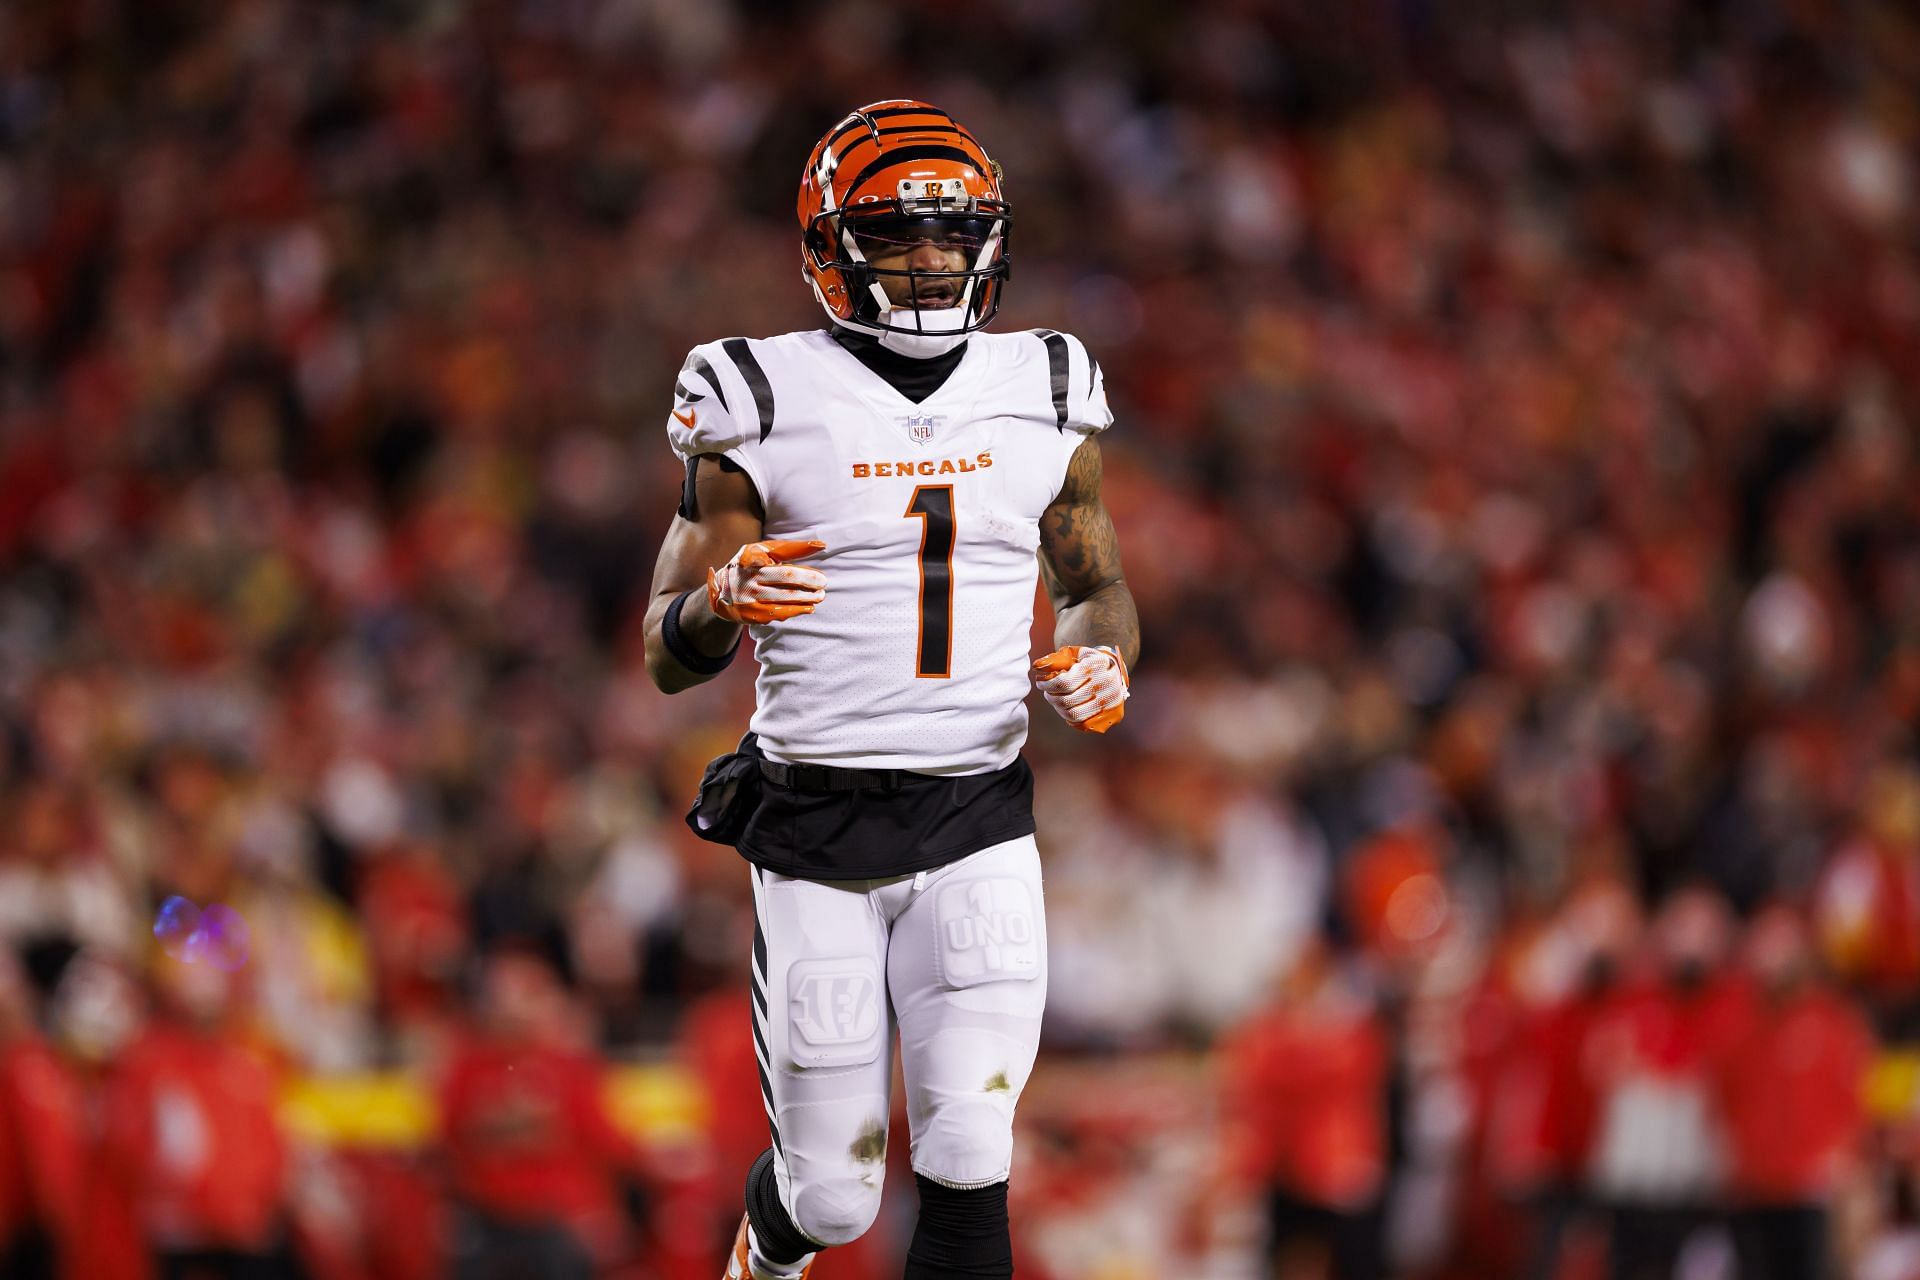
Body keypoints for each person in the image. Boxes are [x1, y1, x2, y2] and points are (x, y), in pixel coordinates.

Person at [642, 99, 1140, 1280]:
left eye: (954, 235)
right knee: (830, 1192)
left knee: (971, 1149)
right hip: (817, 824)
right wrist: (723, 603)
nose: (931, 261)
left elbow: (1097, 580)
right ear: (830, 244)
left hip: (978, 811)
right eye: (897, 238)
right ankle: (761, 1263)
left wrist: (1104, 653)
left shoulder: (1048, 380)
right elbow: (668, 651)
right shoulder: (755, 391)